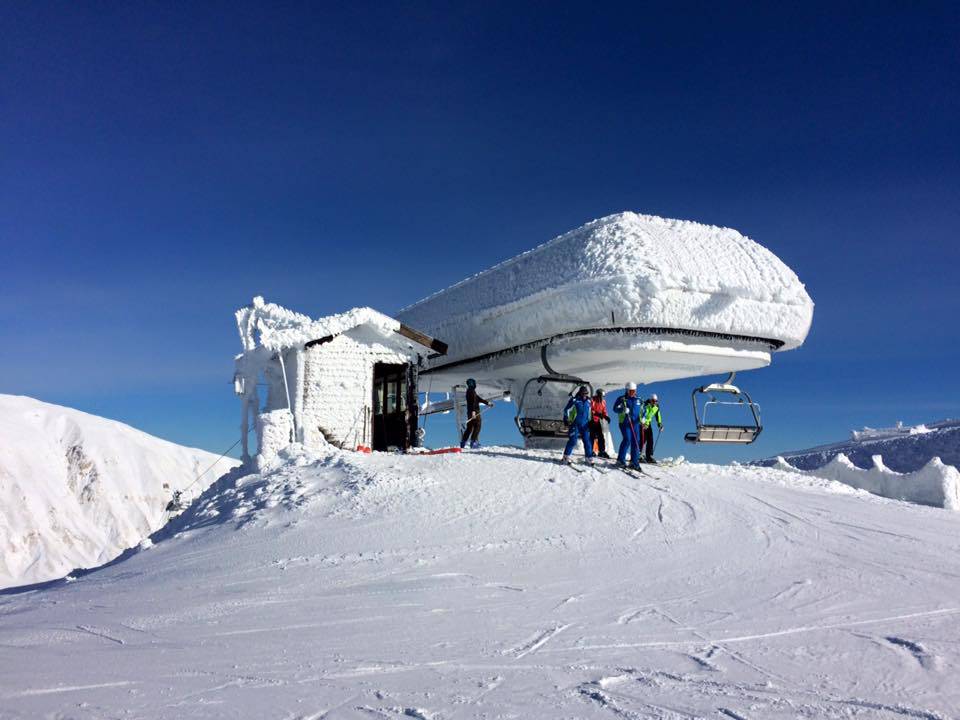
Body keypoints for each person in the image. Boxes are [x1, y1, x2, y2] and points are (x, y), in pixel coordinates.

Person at [613, 382, 643, 469]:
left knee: (636, 442)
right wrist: (622, 409)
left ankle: (634, 462)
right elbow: (615, 409)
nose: (632, 393)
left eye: (633, 391)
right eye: (630, 391)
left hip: (636, 424)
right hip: (625, 423)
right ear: (626, 390)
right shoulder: (622, 399)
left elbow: (643, 410)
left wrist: (643, 418)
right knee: (627, 440)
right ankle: (620, 460)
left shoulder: (639, 399)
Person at [561, 385, 594, 464]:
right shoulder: (575, 400)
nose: (584, 395)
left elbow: (590, 412)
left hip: (585, 424)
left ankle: (588, 457)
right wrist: (566, 419)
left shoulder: (589, 401)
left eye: (586, 393)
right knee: (573, 441)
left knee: (587, 441)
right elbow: (566, 409)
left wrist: (591, 421)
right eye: (583, 393)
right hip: (575, 424)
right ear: (580, 393)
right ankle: (566, 457)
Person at [460, 378, 492, 449]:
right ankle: (473, 442)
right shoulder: (471, 392)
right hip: (474, 411)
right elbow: (473, 401)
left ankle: (463, 442)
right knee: (478, 426)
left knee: (470, 427)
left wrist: (488, 403)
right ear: (473, 384)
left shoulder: (470, 391)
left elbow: (478, 399)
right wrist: (473, 412)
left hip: (470, 412)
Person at [639, 393, 664, 463]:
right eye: (653, 401)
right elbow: (641, 414)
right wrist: (642, 423)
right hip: (642, 423)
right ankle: (638, 455)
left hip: (648, 424)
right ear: (650, 400)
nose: (654, 402)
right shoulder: (645, 405)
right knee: (642, 439)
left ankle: (648, 456)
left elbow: (658, 416)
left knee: (650, 439)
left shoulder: (656, 407)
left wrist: (660, 424)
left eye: (656, 401)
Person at [589, 388, 611, 459]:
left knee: (600, 436)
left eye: (602, 396)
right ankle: (590, 450)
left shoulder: (603, 402)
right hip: (591, 420)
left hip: (597, 421)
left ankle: (601, 451)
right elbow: (591, 410)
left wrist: (606, 417)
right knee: (592, 436)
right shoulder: (592, 400)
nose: (601, 398)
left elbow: (604, 410)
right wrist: (597, 414)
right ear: (597, 395)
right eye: (600, 396)